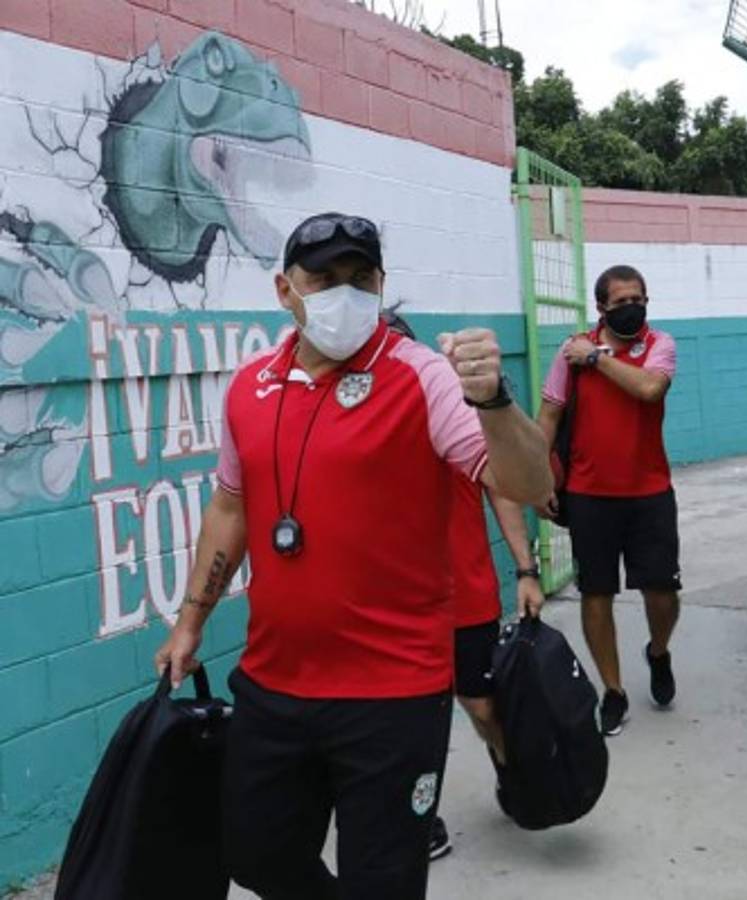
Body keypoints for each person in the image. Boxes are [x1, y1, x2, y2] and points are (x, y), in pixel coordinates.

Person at [154, 212, 553, 900]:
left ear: (381, 283)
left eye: (360, 278)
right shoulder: (248, 387)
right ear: (285, 290)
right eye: (324, 278)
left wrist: (492, 400)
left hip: (391, 696)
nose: (346, 293)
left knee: (385, 881)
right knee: (255, 856)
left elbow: (529, 484)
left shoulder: (423, 377)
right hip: (275, 684)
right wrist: (191, 619)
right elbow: (230, 508)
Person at [382, 307, 544, 861]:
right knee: (401, 723)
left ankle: (510, 771)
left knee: (480, 707)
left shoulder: (453, 416)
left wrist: (526, 570)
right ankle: (418, 812)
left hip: (464, 595)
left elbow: (504, 491)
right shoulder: (352, 429)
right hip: (389, 610)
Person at [537, 264, 681, 737]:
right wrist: (540, 479)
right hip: (588, 496)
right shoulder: (570, 353)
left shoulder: (659, 345)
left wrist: (596, 359)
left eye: (637, 299)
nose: (630, 309)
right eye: (619, 303)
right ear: (601, 308)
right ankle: (613, 692)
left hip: (650, 493)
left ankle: (658, 652)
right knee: (596, 593)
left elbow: (648, 388)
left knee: (662, 592)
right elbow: (550, 416)